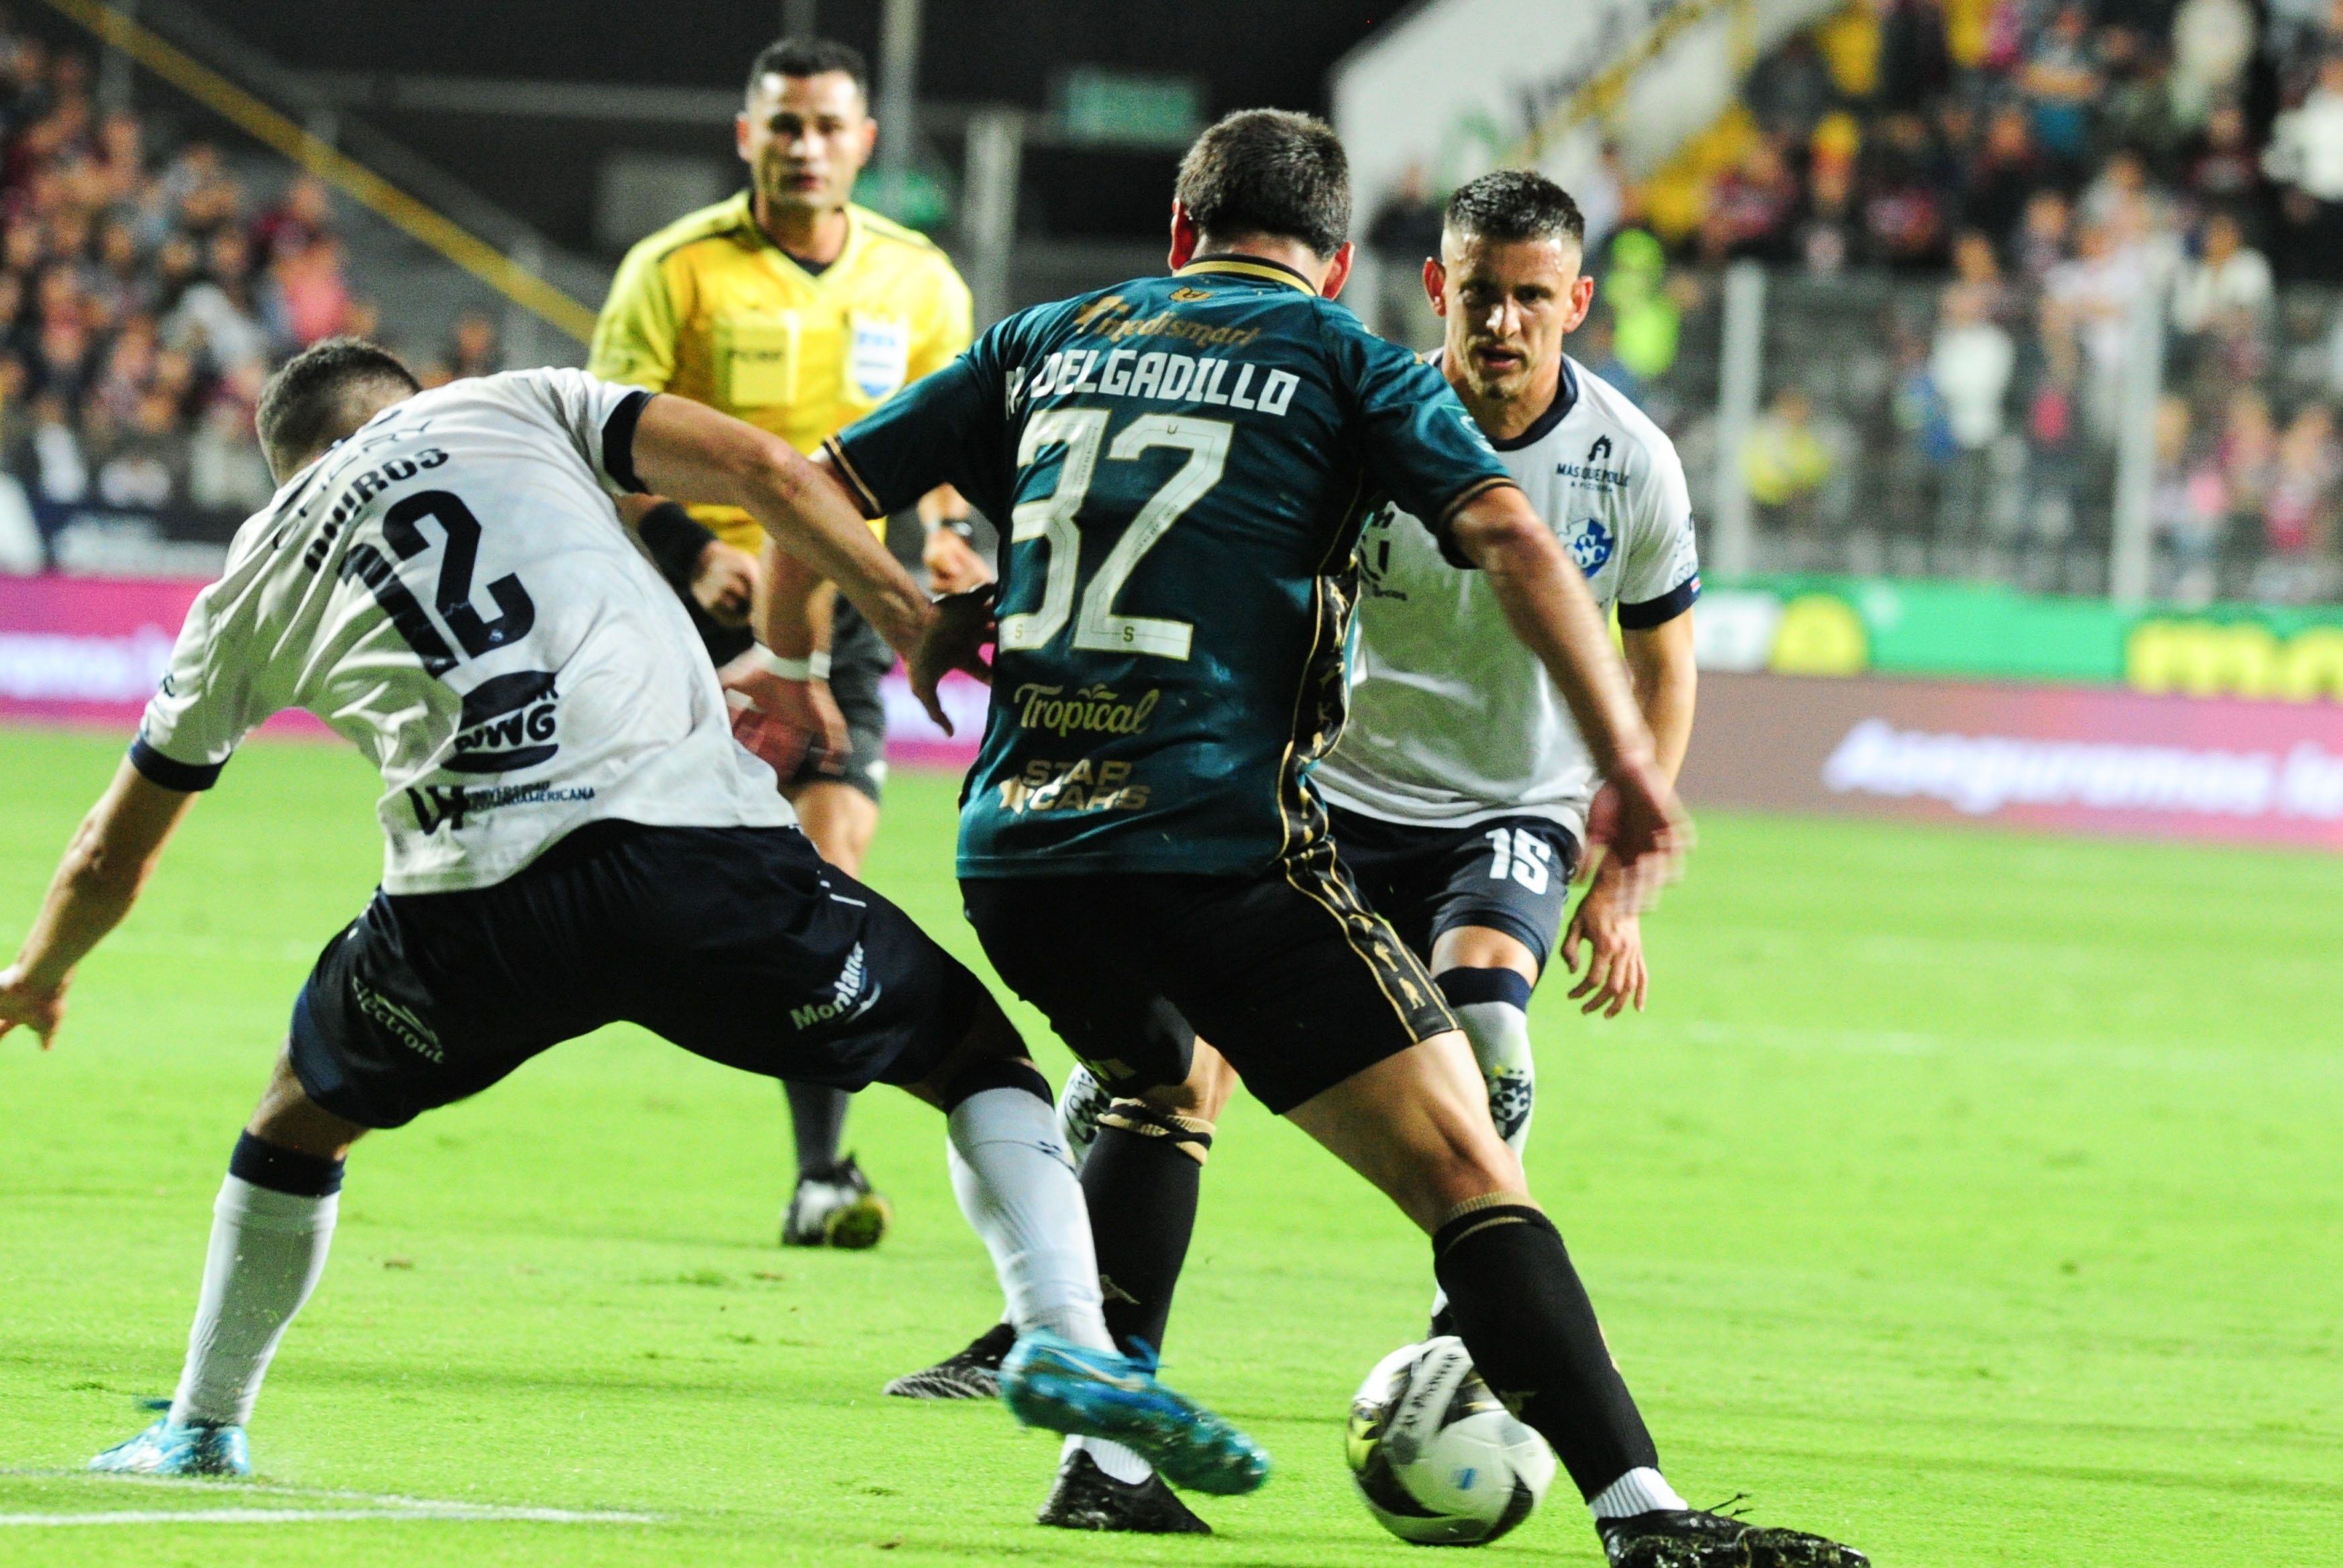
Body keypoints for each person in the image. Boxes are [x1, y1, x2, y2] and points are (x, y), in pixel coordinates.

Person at [801, 111, 1862, 1567]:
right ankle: (1650, 1519)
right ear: (1360, 265)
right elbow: (1518, 542)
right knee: (1470, 1169)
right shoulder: (1344, 366)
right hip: (1219, 838)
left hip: (1019, 846)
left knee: (1161, 1083)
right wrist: (1626, 766)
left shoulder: (1048, 332)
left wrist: (890, 617)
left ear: (1182, 231)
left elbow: (809, 481)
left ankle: (1104, 1451)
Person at [0, 339, 1267, 1501]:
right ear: (402, 400)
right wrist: (891, 610)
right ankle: (1067, 1350)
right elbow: (770, 468)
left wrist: (38, 972)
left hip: (468, 915)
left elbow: (113, 845)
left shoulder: (254, 571)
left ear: (287, 464)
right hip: (693, 864)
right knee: (973, 1054)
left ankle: (206, 1426)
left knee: (295, 1114)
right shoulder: (504, 401)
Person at [588, 36, 988, 1249]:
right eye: (784, 125)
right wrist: (694, 554)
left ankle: (824, 1171)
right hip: (685, 609)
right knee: (635, 875)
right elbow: (606, 444)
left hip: (843, 614)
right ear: (746, 134)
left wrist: (954, 542)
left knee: (833, 861)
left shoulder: (920, 283)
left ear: (865, 143)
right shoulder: (675, 271)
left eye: (827, 126)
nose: (805, 146)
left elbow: (953, 452)